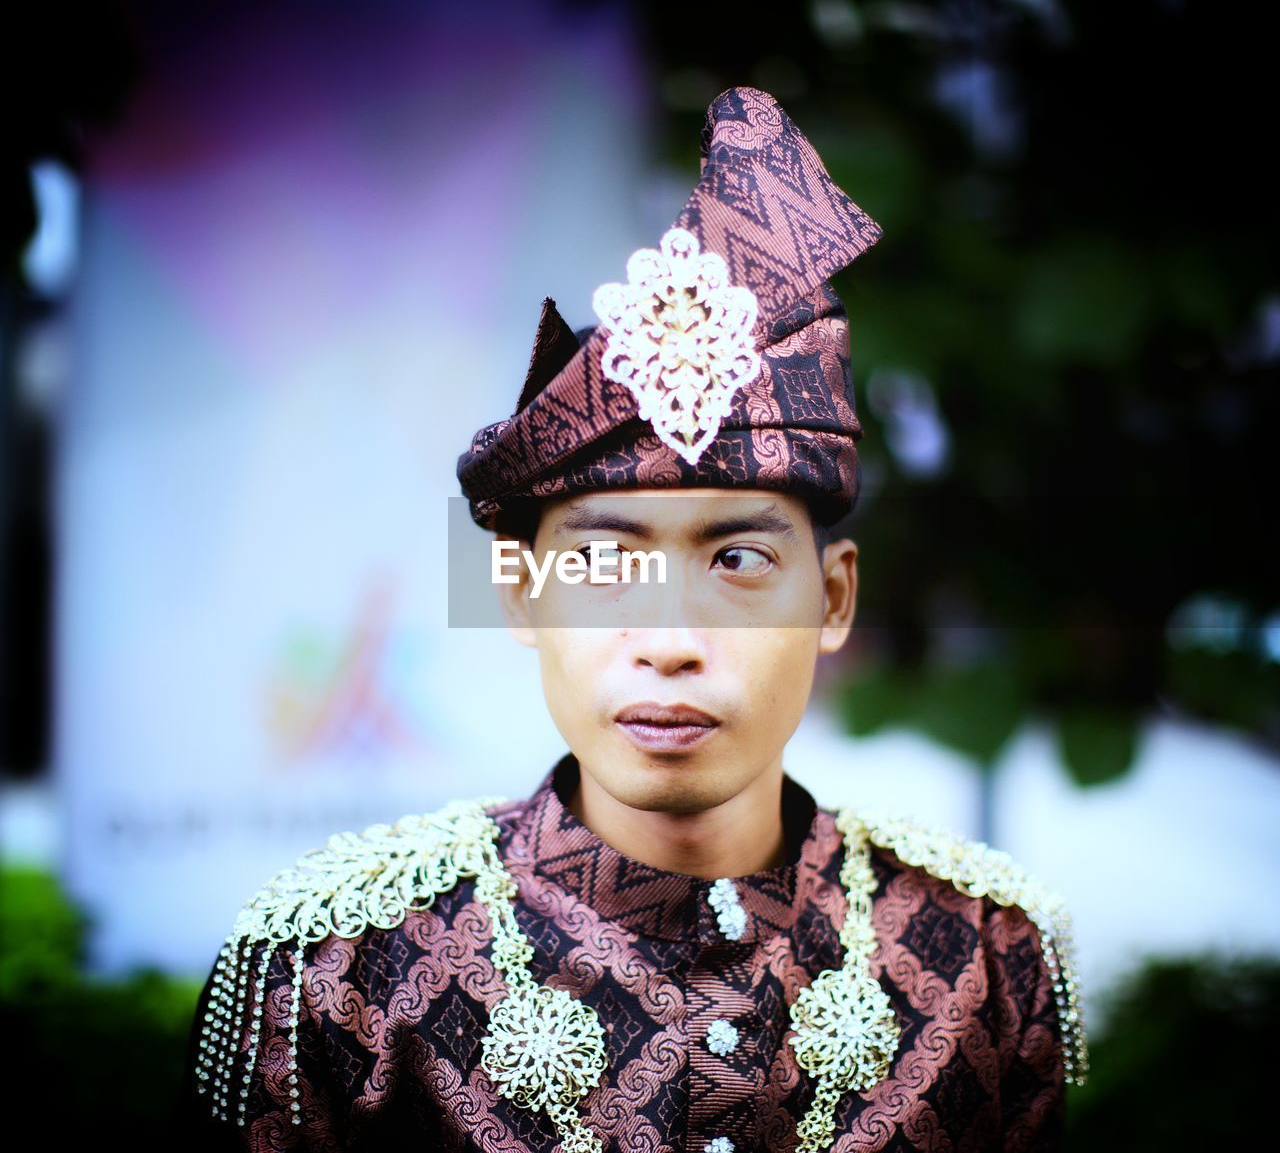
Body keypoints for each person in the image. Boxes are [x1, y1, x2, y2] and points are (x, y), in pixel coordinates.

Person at [180, 85, 1087, 1153]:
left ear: (832, 598)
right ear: (518, 593)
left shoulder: (984, 953)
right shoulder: (335, 969)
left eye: (737, 558)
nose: (668, 638)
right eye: (605, 560)